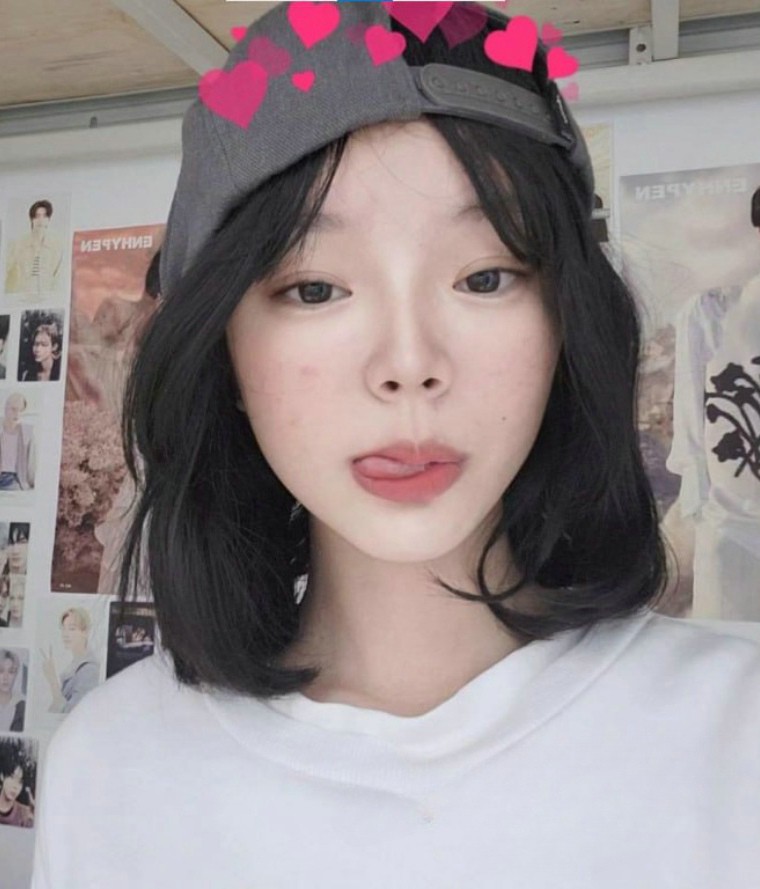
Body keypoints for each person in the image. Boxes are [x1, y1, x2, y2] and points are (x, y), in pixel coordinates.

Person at [31, 5, 760, 888]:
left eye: (484, 276)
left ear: (566, 321)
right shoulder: (113, 769)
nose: (409, 364)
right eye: (315, 288)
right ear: (223, 347)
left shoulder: (734, 740)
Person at [41, 607, 100, 714]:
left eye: (72, 629)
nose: (65, 634)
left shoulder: (89, 669)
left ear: (85, 632)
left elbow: (73, 713)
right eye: (63, 628)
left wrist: (52, 680)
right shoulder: (74, 664)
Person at [4, 199, 64, 296]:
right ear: (32, 219)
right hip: (22, 297)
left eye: (44, 216)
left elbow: (57, 276)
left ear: (49, 219)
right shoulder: (18, 244)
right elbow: (7, 271)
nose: (41, 220)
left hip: (46, 297)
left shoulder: (56, 246)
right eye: (37, 216)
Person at [0, 392, 37, 491]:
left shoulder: (27, 432)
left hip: (13, 479)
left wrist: (32, 485)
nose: (17, 414)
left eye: (21, 411)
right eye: (14, 409)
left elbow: (31, 463)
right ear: (5, 409)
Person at [0, 757, 34, 828]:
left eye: (20, 782)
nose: (15, 786)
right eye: (12, 778)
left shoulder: (25, 815)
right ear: (2, 776)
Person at [0, 649, 26, 732]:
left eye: (11, 672)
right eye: (1, 671)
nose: (5, 677)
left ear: (16, 674)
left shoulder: (22, 706)